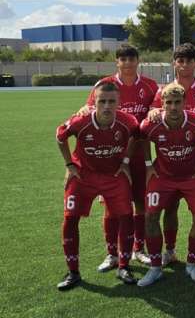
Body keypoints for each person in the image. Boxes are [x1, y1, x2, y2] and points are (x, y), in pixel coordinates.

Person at [80, 44, 159, 270]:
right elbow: (88, 110)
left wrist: (155, 110)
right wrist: (84, 110)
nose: (127, 63)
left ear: (138, 61)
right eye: (123, 59)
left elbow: (156, 108)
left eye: (131, 58)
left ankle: (138, 249)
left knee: (141, 203)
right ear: (117, 62)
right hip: (111, 156)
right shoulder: (104, 85)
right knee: (112, 206)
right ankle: (112, 254)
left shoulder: (150, 86)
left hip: (140, 155)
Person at [56, 82, 139, 290]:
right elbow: (60, 137)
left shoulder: (128, 121)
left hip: (114, 175)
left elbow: (137, 136)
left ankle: (123, 266)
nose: (107, 106)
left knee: (126, 216)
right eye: (102, 101)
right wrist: (69, 164)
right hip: (84, 175)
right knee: (70, 218)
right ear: (94, 101)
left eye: (112, 101)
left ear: (119, 102)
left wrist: (125, 162)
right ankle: (73, 272)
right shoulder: (81, 121)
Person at [148, 43, 195, 267]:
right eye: (180, 61)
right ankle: (170, 250)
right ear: (175, 63)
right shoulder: (163, 92)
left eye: (189, 61)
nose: (184, 65)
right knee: (170, 208)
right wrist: (154, 110)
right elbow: (152, 117)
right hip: (168, 161)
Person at [137, 83, 195, 287]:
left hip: (192, 177)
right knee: (151, 215)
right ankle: (155, 267)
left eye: (178, 102)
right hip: (163, 177)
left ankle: (191, 263)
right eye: (168, 103)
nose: (173, 107)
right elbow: (142, 138)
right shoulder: (150, 124)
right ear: (162, 104)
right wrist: (148, 164)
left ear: (185, 103)